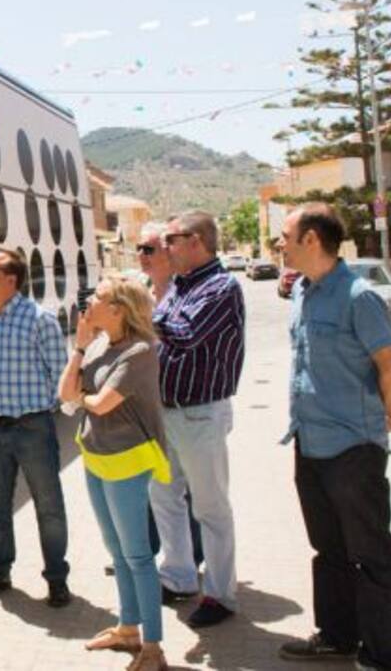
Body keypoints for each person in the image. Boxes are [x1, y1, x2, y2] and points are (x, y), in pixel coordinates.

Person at [276, 204, 391, 671]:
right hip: (309, 442)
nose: (279, 244)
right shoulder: (302, 294)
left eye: (285, 235)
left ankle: (379, 657)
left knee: (371, 555)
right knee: (328, 550)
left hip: (353, 449)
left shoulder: (358, 296)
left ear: (311, 239)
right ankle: (337, 637)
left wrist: (380, 409)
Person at [59, 275, 170, 671]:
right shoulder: (102, 346)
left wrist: (81, 398)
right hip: (97, 457)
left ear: (119, 308)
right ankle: (127, 629)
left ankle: (153, 647)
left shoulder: (140, 351)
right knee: (117, 551)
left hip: (126, 460)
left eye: (99, 297)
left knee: (138, 555)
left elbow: (101, 404)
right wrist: (80, 346)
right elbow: (63, 394)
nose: (89, 302)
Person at [150, 210, 244, 628]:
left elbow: (184, 332)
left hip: (200, 413)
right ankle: (179, 576)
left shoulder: (221, 287)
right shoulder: (178, 287)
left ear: (197, 240)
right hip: (166, 412)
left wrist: (141, 313)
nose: (164, 248)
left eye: (170, 239)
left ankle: (220, 594)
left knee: (210, 508)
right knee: (165, 499)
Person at [0, 247, 72, 607]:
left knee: (49, 507)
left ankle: (57, 579)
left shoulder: (40, 319)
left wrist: (39, 413)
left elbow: (60, 376)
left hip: (33, 428)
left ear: (11, 280)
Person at [135, 223, 204, 580]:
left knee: (187, 486)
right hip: (147, 403)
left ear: (168, 251)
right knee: (152, 482)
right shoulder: (140, 293)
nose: (141, 256)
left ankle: (191, 557)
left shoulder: (185, 295)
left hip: (183, 405)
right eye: (139, 249)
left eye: (148, 249)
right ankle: (146, 553)